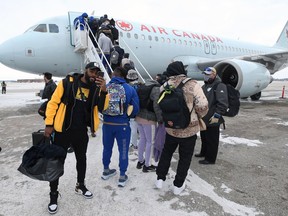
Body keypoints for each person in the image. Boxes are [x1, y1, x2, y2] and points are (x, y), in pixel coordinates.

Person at [43, 62, 109, 214]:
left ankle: (80, 185)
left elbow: (102, 107)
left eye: (97, 72)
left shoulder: (96, 88)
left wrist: (104, 90)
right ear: (85, 71)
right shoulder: (67, 83)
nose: (94, 74)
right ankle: (53, 194)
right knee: (57, 162)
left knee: (82, 159)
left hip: (81, 131)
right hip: (62, 130)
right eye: (92, 71)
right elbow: (53, 103)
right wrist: (49, 123)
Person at [155, 61, 208, 195]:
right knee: (185, 157)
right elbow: (203, 105)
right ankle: (178, 185)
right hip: (188, 130)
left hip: (171, 128)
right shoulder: (193, 84)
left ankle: (160, 179)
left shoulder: (165, 85)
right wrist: (197, 115)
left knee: (166, 153)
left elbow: (158, 102)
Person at [101, 67, 139, 187]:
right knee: (123, 150)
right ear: (124, 76)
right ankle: (122, 176)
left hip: (107, 124)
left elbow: (99, 104)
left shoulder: (105, 87)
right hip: (122, 125)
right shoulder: (129, 89)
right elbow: (135, 109)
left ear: (113, 75)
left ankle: (106, 171)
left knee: (107, 148)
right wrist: (128, 115)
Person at [195, 67, 229, 165]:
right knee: (204, 137)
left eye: (208, 74)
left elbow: (222, 103)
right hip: (204, 118)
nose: (206, 76)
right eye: (205, 74)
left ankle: (210, 158)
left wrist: (217, 116)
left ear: (214, 75)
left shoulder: (219, 85)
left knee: (212, 139)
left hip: (213, 117)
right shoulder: (205, 86)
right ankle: (203, 152)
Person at [135, 79, 162, 172]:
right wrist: (160, 119)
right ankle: (147, 165)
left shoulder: (142, 87)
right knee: (151, 142)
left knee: (142, 139)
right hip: (149, 118)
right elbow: (156, 105)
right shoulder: (156, 89)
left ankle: (140, 161)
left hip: (139, 117)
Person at [126, 69, 141, 149]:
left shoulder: (127, 87)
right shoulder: (140, 86)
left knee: (133, 128)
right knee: (140, 129)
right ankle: (139, 143)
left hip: (131, 110)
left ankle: (134, 143)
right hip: (140, 110)